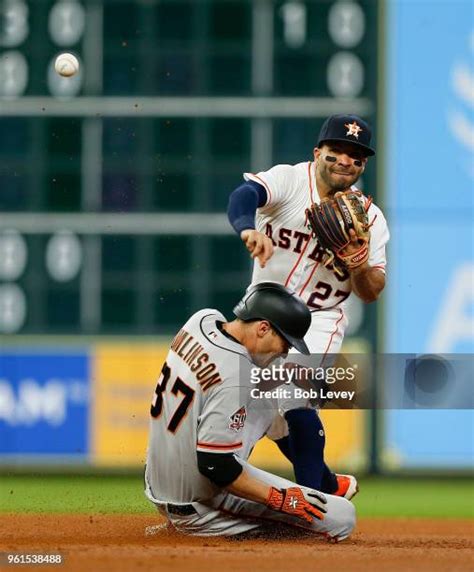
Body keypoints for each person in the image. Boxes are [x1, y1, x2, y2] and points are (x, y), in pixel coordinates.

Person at [227, 114, 390, 498]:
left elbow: (371, 291)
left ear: (363, 165)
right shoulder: (290, 180)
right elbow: (244, 196)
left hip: (319, 318)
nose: (345, 161)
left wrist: (358, 263)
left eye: (356, 156)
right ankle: (330, 485)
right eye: (337, 151)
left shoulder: (371, 219)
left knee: (294, 394)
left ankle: (315, 506)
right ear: (318, 153)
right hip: (261, 317)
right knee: (257, 413)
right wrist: (247, 229)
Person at [144, 282, 356, 540]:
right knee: (342, 518)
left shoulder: (202, 319)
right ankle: (226, 533)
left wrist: (288, 374)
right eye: (285, 343)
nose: (284, 352)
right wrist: (280, 499)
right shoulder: (236, 376)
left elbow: (234, 376)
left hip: (159, 482)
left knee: (266, 397)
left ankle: (325, 480)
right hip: (200, 502)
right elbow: (216, 466)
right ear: (263, 327)